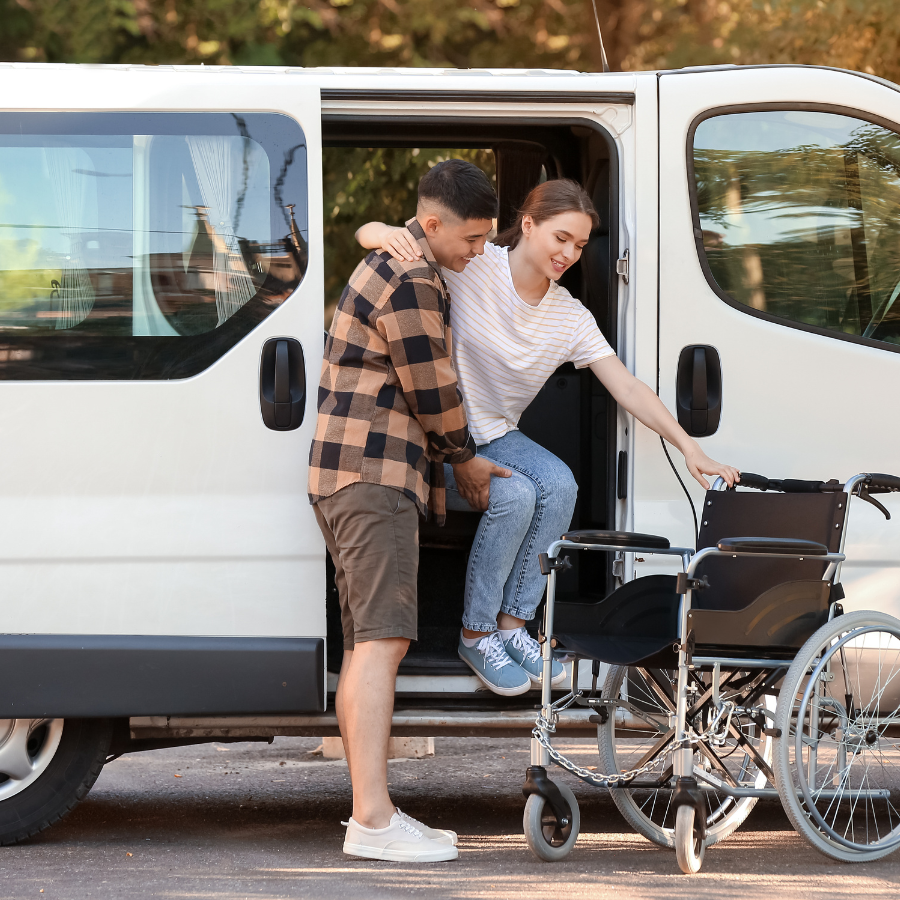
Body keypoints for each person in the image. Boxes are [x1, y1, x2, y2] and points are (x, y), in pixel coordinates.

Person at [356, 177, 740, 697]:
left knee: (560, 485)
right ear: (528, 224)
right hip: (439, 436)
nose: (569, 254)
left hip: (496, 435)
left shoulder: (569, 316)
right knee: (515, 496)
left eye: (579, 245)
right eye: (561, 238)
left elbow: (628, 386)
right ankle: (476, 634)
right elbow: (375, 234)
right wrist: (383, 233)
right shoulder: (475, 264)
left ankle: (513, 625)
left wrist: (690, 447)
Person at [308, 160, 512, 863]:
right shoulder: (412, 276)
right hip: (374, 474)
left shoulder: (398, 259)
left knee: (367, 644)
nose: (478, 251)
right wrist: (465, 459)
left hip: (348, 475)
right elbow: (432, 387)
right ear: (432, 224)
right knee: (383, 644)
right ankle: (372, 821)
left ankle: (374, 812)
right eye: (473, 238)